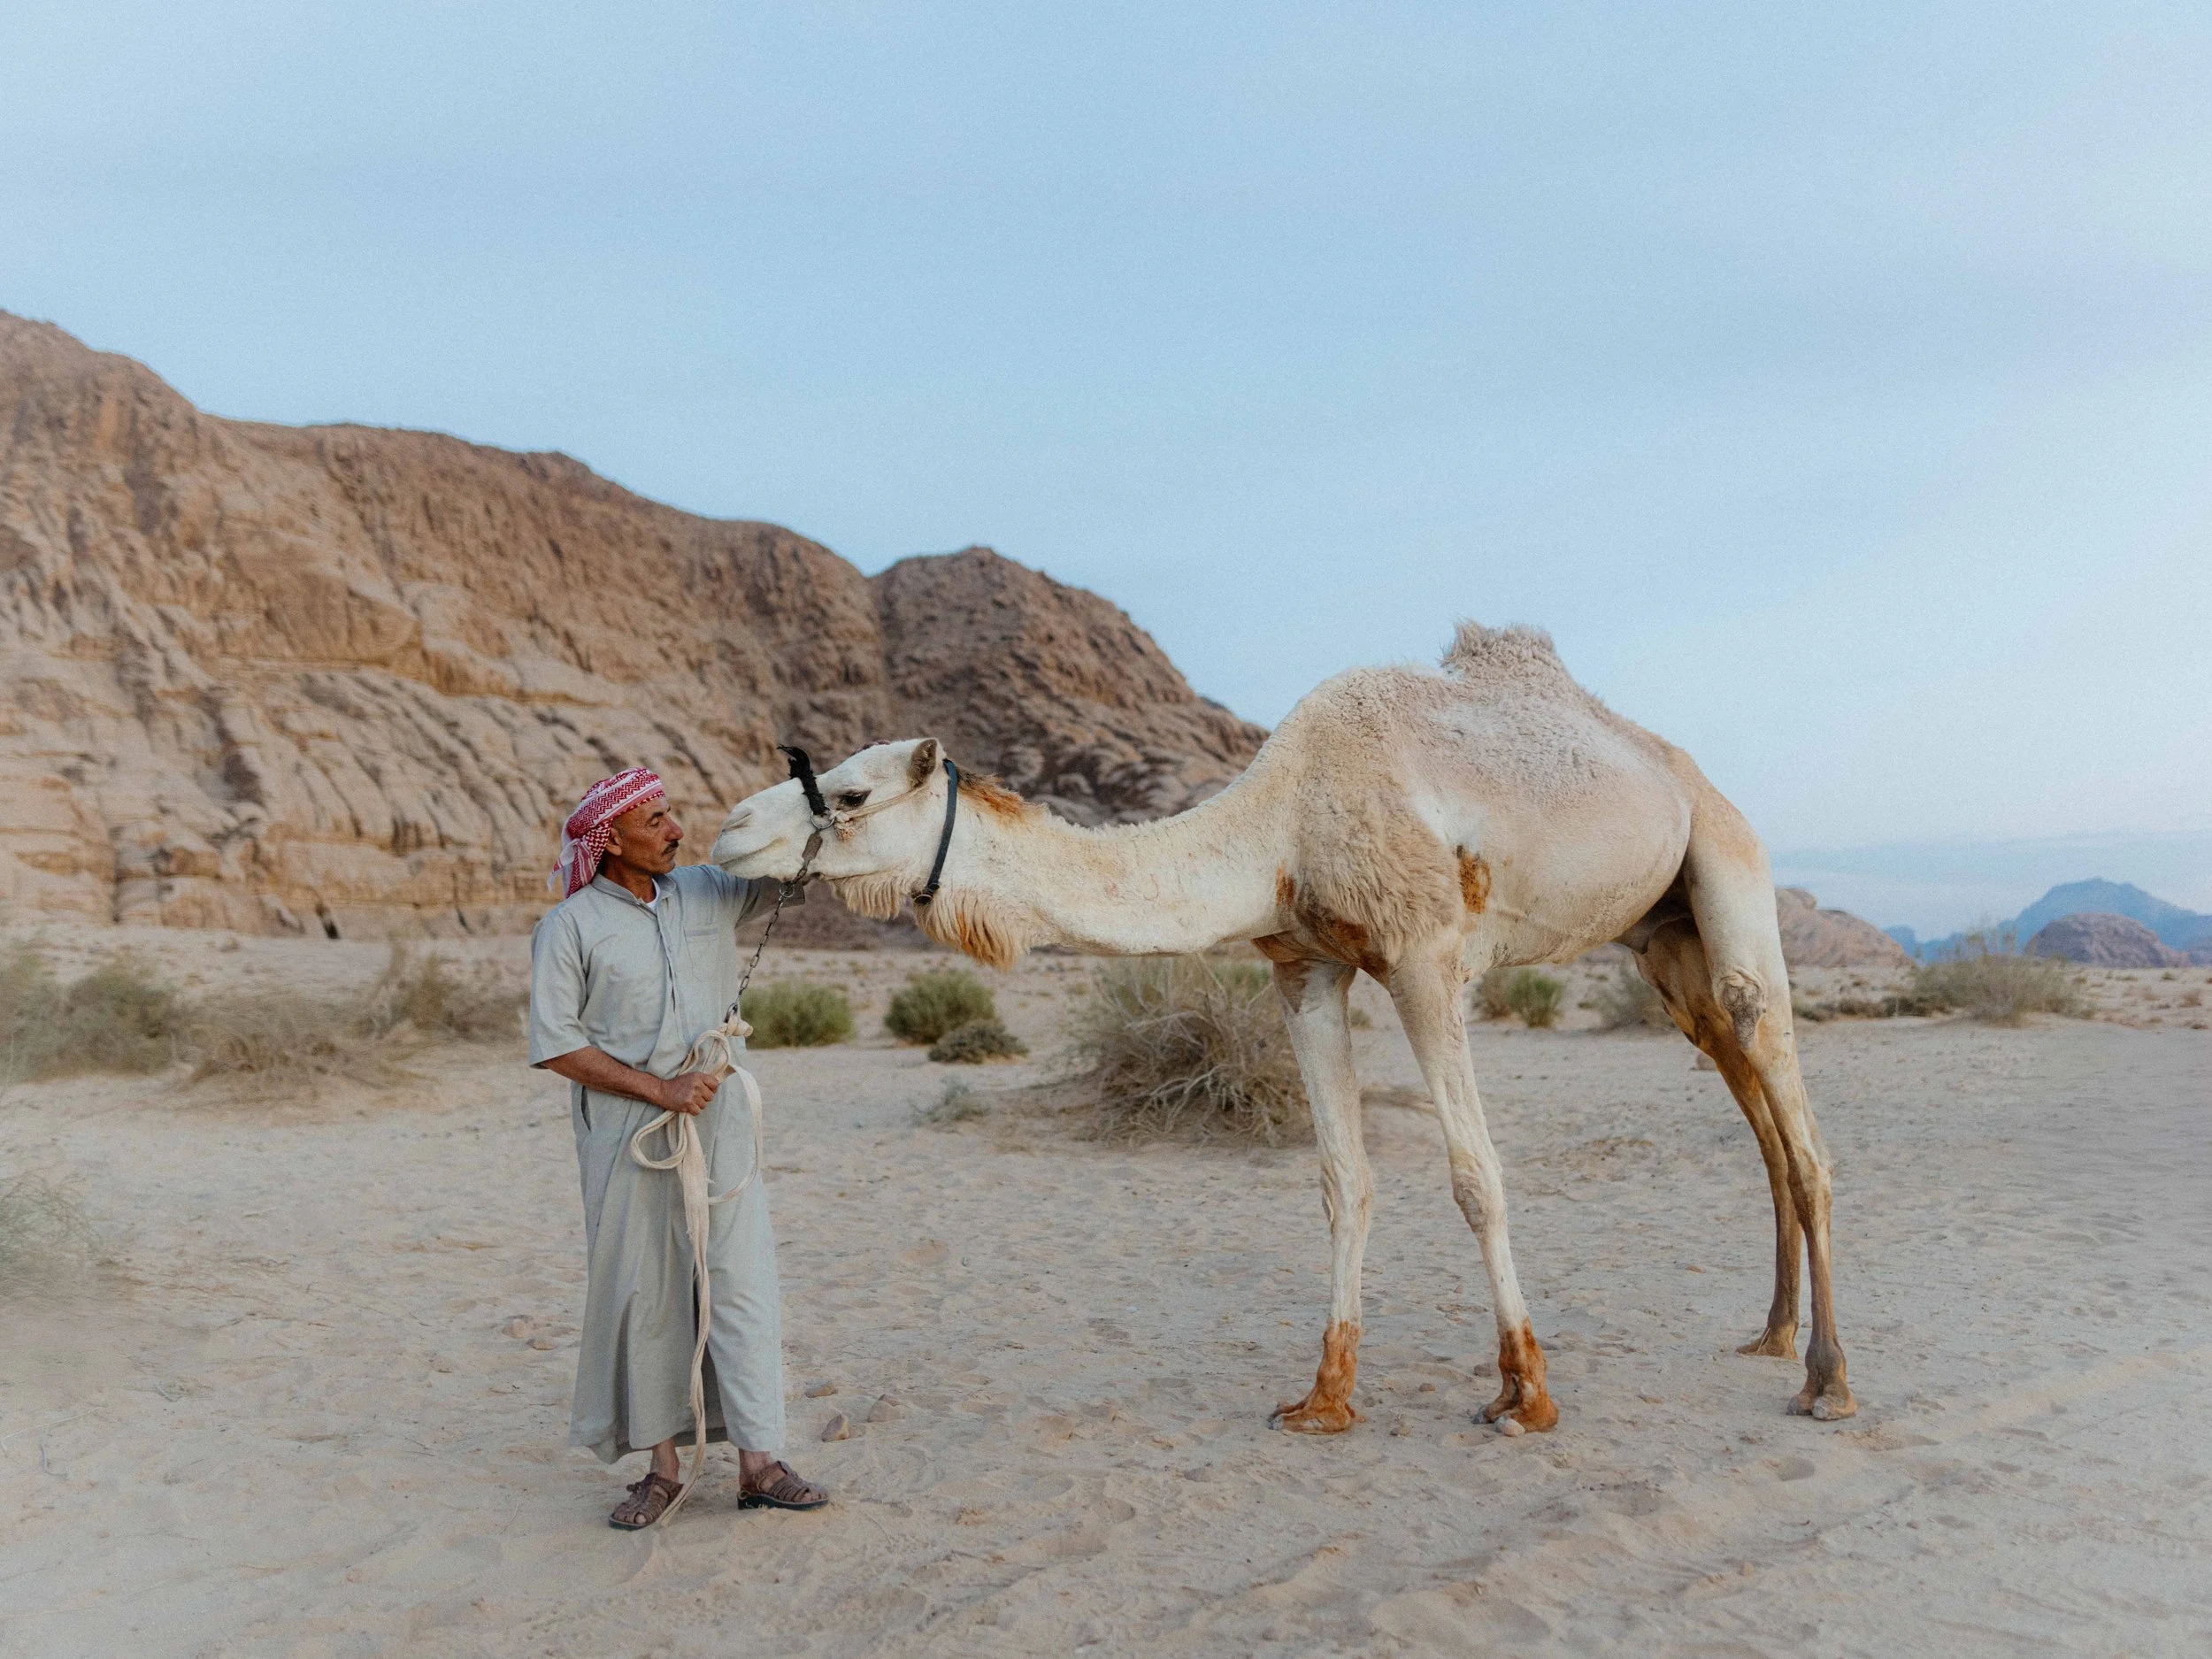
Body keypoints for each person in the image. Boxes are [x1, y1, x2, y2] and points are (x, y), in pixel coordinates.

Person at [527, 766, 828, 1527]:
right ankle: (661, 1472)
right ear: (611, 840)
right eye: (655, 820)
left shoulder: (707, 889)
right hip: (629, 1138)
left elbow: (794, 865)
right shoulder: (569, 927)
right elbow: (557, 1044)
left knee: (741, 1281)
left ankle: (760, 1462)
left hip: (724, 1126)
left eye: (671, 815)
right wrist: (660, 1090)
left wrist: (819, 798)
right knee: (646, 1293)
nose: (674, 830)